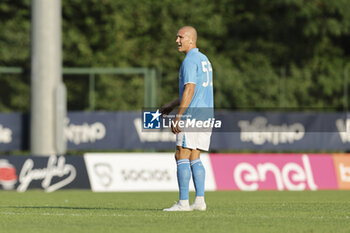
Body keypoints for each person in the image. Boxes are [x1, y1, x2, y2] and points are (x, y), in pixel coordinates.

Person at [160, 26, 214, 211]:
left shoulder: (190, 60)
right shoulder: (204, 59)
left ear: (191, 39)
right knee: (194, 156)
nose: (177, 40)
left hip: (192, 114)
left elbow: (190, 89)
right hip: (206, 113)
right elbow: (193, 91)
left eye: (180, 37)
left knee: (181, 153)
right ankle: (200, 201)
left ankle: (183, 202)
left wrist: (179, 115)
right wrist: (172, 105)